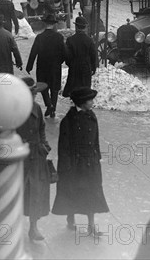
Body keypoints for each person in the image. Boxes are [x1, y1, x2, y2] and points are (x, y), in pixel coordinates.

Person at [52, 87, 109, 236]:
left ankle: (91, 225)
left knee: (91, 192)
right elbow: (63, 146)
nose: (92, 102)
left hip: (90, 162)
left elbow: (95, 138)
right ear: (82, 102)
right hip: (75, 164)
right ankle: (70, 218)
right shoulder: (68, 121)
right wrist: (65, 167)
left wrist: (97, 157)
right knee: (72, 191)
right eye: (90, 100)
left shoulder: (91, 116)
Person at [17, 77, 52, 242]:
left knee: (36, 192)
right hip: (19, 158)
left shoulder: (37, 108)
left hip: (37, 156)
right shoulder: (13, 110)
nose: (34, 95)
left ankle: (33, 227)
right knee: (17, 193)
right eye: (31, 92)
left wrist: (45, 146)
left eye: (35, 92)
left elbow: (42, 129)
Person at [26, 14, 66, 118]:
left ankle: (49, 105)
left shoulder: (40, 37)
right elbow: (64, 52)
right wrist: (59, 61)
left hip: (42, 66)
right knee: (54, 88)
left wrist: (29, 66)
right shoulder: (59, 37)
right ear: (53, 25)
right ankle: (53, 108)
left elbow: (33, 52)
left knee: (43, 86)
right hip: (55, 67)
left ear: (45, 24)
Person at [62, 16, 97, 98]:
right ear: (85, 27)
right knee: (85, 89)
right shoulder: (89, 40)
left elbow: (67, 55)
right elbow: (93, 55)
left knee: (74, 87)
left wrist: (70, 64)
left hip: (74, 67)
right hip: (86, 67)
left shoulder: (70, 40)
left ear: (76, 27)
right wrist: (93, 67)